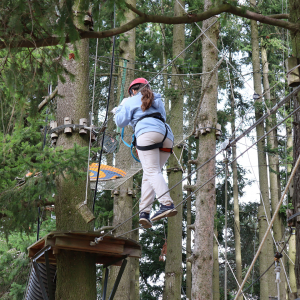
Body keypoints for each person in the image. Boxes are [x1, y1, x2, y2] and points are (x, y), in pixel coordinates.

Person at [113, 78, 177, 229]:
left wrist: (120, 108)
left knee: (152, 171)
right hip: (166, 136)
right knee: (151, 172)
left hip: (147, 133)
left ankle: (166, 203)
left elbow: (120, 122)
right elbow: (153, 115)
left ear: (133, 91)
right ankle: (144, 212)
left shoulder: (129, 102)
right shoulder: (157, 99)